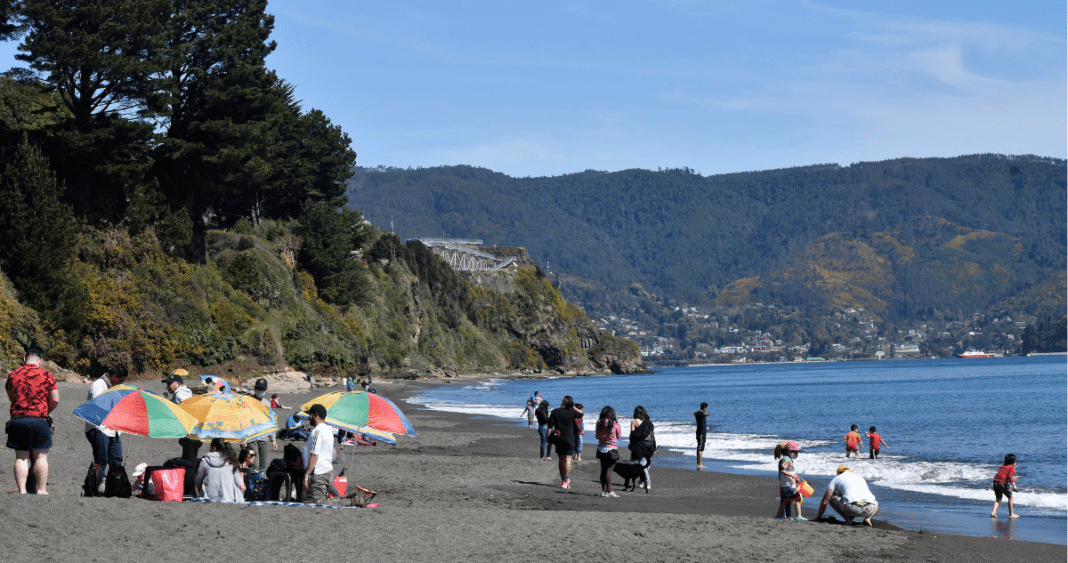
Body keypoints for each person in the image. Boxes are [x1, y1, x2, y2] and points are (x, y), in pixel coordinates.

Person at [5, 350, 59, 494]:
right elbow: (55, 399)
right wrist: (47, 411)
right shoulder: (47, 374)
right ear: (40, 361)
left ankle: (22, 490)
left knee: (21, 457)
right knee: (41, 456)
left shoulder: (13, 374)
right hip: (39, 419)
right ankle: (41, 490)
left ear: (24, 359)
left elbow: (11, 396)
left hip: (18, 419)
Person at [84, 364, 128, 483]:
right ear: (113, 376)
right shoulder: (99, 384)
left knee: (117, 460)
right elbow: (99, 406)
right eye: (120, 380)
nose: (121, 383)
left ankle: (115, 485)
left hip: (113, 429)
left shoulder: (117, 386)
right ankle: (96, 485)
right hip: (98, 428)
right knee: (101, 459)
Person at [815, 465, 880, 526]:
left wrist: (818, 517)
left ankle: (848, 520)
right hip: (870, 509)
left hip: (852, 508)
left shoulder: (836, 478)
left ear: (838, 473)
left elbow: (825, 501)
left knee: (831, 497)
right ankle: (868, 518)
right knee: (876, 504)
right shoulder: (860, 478)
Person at [547, 396, 583, 488]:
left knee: (561, 459)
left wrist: (549, 439)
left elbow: (550, 427)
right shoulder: (571, 412)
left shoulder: (554, 412)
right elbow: (581, 414)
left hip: (558, 439)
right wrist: (573, 407)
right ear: (570, 404)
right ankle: (566, 479)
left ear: (563, 402)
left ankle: (563, 480)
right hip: (569, 439)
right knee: (568, 459)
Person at [302, 404, 335, 502]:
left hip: (319, 472)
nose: (309, 417)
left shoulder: (317, 432)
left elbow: (315, 456)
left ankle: (351, 501)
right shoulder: (329, 430)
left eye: (310, 415)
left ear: (315, 415)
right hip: (327, 470)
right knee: (322, 499)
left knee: (320, 503)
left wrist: (306, 474)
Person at [163, 369, 198, 462]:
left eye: (170, 384)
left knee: (189, 459)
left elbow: (188, 409)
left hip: (190, 431)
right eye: (167, 384)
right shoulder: (185, 392)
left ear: (178, 384)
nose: (168, 386)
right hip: (192, 430)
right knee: (190, 456)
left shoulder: (180, 395)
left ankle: (190, 474)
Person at [246, 378, 278, 473]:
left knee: (262, 464)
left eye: (262, 389)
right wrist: (243, 439)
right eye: (258, 388)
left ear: (266, 390)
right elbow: (244, 420)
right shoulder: (248, 401)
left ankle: (258, 483)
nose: (260, 391)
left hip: (264, 437)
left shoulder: (267, 404)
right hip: (251, 437)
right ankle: (251, 484)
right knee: (253, 463)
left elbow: (271, 422)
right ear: (255, 388)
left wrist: (273, 439)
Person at [774, 441, 805, 520]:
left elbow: (788, 471)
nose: (797, 453)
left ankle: (786, 516)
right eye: (795, 451)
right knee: (796, 498)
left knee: (786, 501)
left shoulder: (788, 459)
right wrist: (792, 475)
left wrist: (796, 478)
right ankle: (799, 516)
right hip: (788, 485)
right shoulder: (786, 460)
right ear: (789, 451)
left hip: (786, 484)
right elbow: (782, 471)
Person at [595, 406, 621, 497]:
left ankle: (604, 491)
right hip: (612, 450)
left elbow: (597, 436)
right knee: (609, 471)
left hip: (601, 449)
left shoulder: (599, 423)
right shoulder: (615, 423)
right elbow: (619, 436)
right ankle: (609, 491)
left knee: (603, 470)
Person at [628, 406, 656, 491]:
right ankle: (641, 481)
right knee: (647, 465)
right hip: (650, 446)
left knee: (643, 466)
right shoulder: (648, 422)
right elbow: (652, 436)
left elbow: (632, 435)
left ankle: (648, 482)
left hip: (640, 447)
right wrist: (654, 446)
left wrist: (631, 445)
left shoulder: (634, 422)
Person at [990, 454, 1020, 519]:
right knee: (1010, 497)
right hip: (1002, 483)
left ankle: (993, 512)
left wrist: (1013, 480)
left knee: (998, 498)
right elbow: (1009, 476)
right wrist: (1014, 485)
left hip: (995, 482)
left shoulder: (1003, 467)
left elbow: (1004, 477)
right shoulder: (1012, 467)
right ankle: (1011, 514)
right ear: (1013, 462)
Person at [695, 402, 709, 470]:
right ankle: (699, 464)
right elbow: (700, 413)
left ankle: (698, 463)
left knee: (699, 448)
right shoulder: (700, 413)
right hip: (701, 433)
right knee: (700, 448)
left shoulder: (699, 414)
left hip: (699, 432)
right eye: (706, 408)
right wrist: (705, 415)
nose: (707, 409)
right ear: (704, 408)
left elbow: (697, 413)